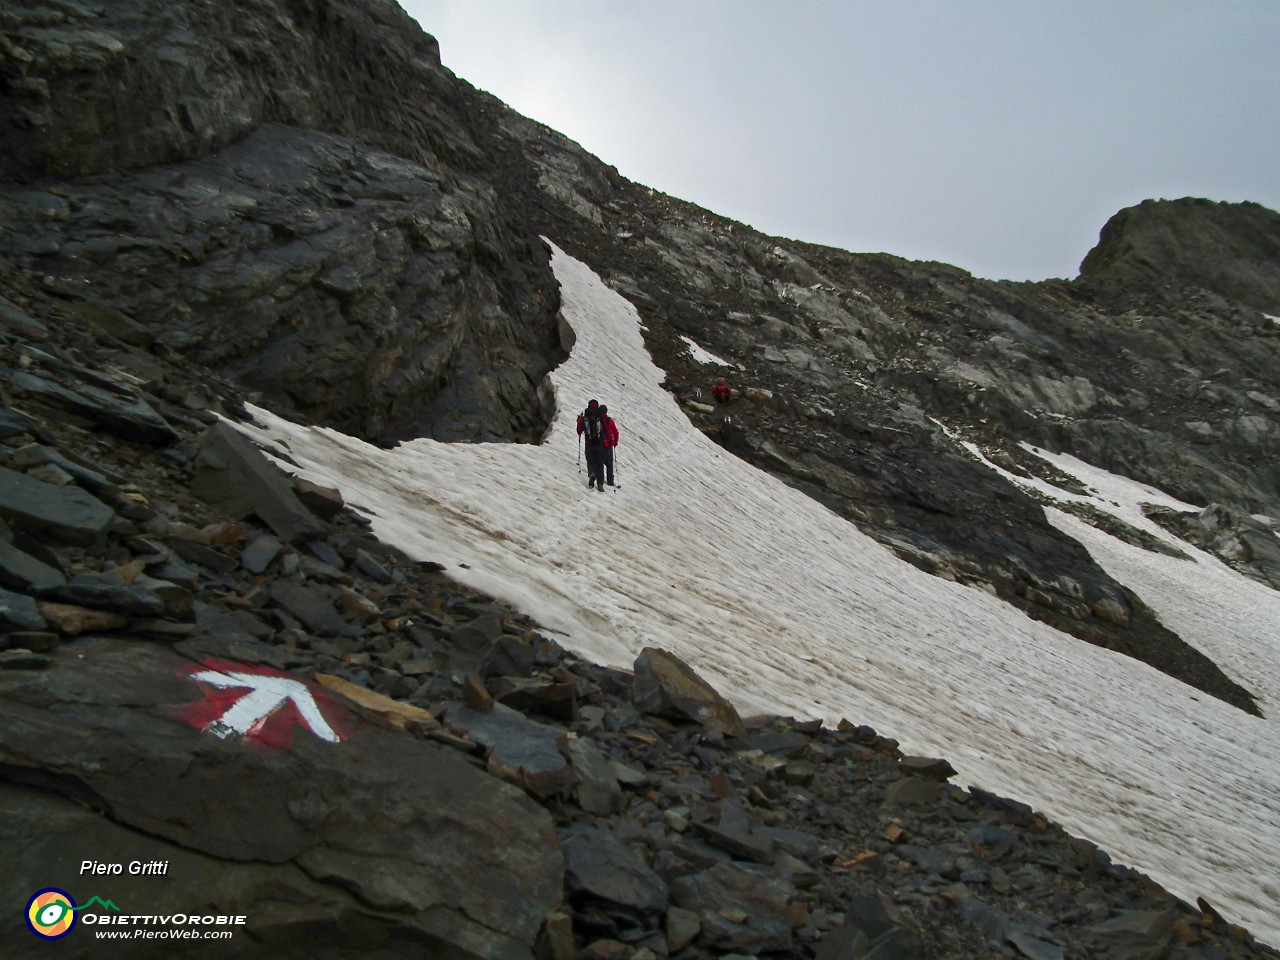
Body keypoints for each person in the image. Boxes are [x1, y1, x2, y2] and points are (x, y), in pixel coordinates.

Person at [577, 399, 607, 490]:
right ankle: (600, 484)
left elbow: (579, 431)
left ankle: (592, 474)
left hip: (589, 443)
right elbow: (605, 427)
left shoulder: (585, 417)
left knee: (591, 461)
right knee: (600, 463)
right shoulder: (600, 416)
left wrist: (579, 421)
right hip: (599, 443)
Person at [598, 404, 620, 487]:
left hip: (599, 444)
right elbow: (616, 432)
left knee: (599, 462)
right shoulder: (609, 420)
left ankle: (599, 479)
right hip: (609, 444)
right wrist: (615, 443)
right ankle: (610, 480)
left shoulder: (597, 420)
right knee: (609, 463)